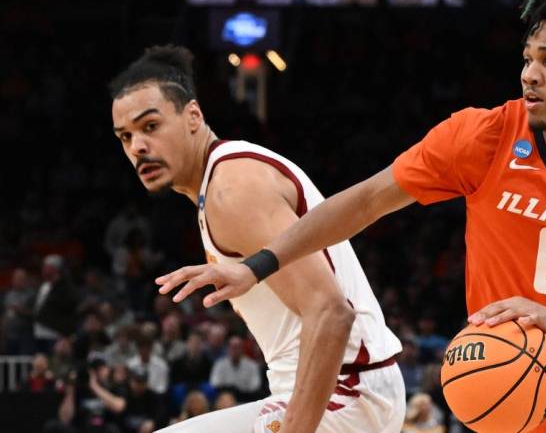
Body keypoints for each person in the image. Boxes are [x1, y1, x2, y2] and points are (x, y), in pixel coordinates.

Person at [157, 0, 546, 432]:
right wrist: (257, 264)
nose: (530, 74)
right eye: (527, 59)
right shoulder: (484, 136)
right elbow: (366, 200)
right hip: (509, 391)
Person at [109, 44, 404, 433]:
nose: (138, 147)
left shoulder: (232, 189)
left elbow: (331, 313)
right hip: (344, 392)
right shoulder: (222, 180)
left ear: (193, 115)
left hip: (344, 394)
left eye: (150, 127)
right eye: (125, 137)